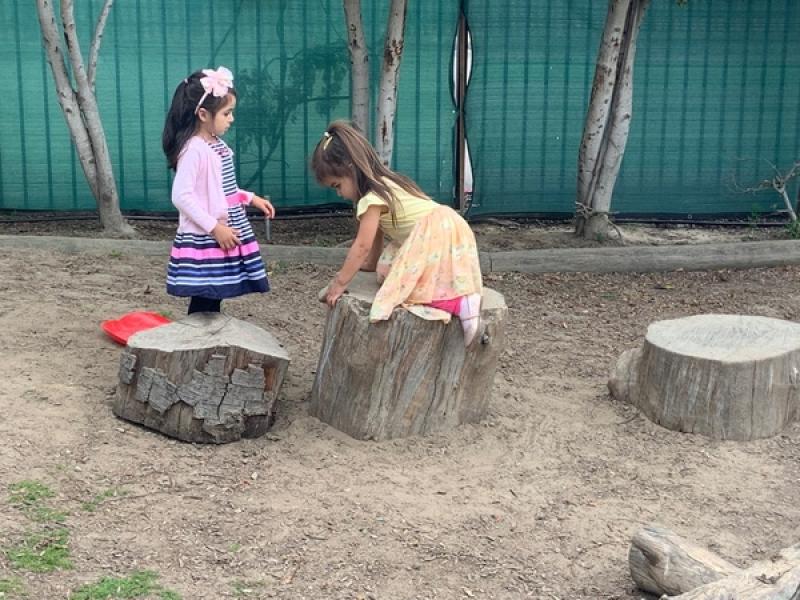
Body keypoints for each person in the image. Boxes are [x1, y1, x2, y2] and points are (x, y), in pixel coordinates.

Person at [310, 120, 484, 347]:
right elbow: (375, 240)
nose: (340, 194)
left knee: (407, 289)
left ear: (349, 167)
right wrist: (372, 264)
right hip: (445, 227)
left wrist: (340, 283)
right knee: (386, 272)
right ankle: (458, 299)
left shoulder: (371, 199)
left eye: (337, 185)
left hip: (434, 235)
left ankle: (462, 305)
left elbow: (362, 245)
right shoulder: (386, 183)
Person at [162, 66, 275, 314]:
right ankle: (197, 339)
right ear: (203, 114)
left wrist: (250, 198)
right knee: (206, 292)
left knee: (215, 292)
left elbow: (222, 189)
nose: (231, 119)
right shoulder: (194, 150)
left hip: (222, 229)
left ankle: (207, 336)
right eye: (227, 113)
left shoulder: (215, 145)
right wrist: (215, 228)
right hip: (207, 235)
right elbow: (181, 196)